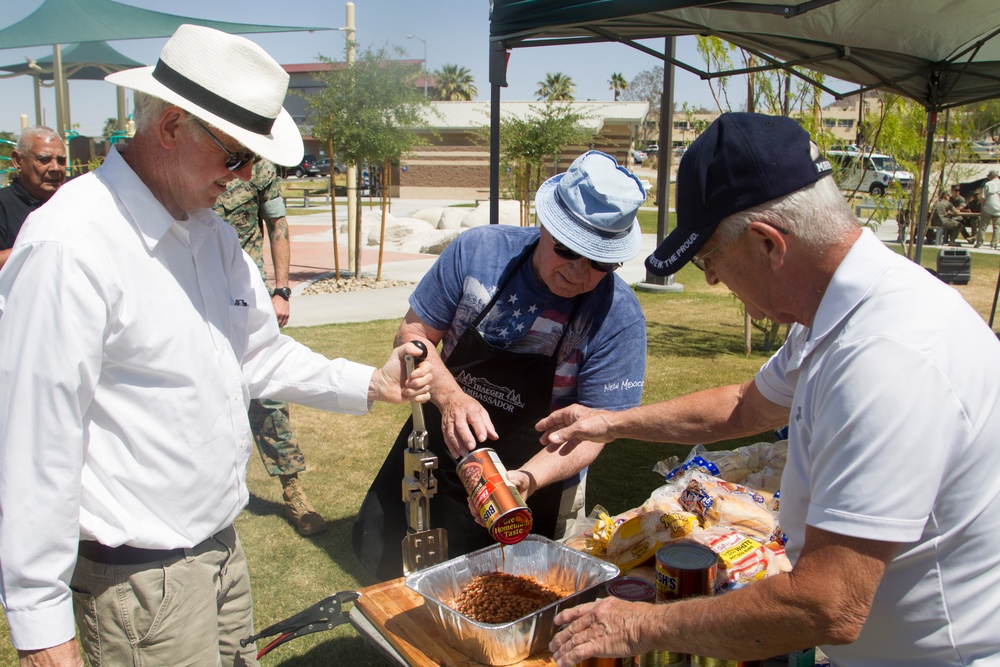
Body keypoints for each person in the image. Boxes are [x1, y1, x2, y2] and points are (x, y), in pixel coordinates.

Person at [0, 25, 431, 667]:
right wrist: (40, 626)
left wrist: (372, 382)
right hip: (139, 585)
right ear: (172, 125)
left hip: (222, 552)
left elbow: (258, 354)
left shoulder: (212, 236)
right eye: (236, 155)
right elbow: (35, 443)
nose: (246, 176)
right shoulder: (70, 246)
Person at [539, 113, 1000, 667]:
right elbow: (744, 407)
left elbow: (826, 605)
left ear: (767, 244)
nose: (710, 279)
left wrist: (642, 627)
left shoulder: (885, 355)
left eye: (710, 259)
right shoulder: (839, 310)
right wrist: (609, 423)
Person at [353, 150, 648, 581]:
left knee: (504, 594)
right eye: (566, 250)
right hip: (437, 447)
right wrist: (452, 397)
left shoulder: (619, 317)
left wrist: (526, 480)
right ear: (545, 226)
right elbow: (413, 335)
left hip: (534, 477)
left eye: (599, 262)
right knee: (395, 578)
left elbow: (598, 429)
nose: (577, 272)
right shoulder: (480, 251)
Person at [214, 158, 325, 536]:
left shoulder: (259, 168)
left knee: (268, 396)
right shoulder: (192, 155)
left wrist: (281, 291)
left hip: (247, 295)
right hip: (192, 294)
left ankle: (293, 490)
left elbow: (277, 225)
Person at [0, 126, 66, 269]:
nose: (56, 168)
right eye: (44, 159)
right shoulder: (3, 204)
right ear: (17, 161)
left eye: (61, 161)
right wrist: (41, 247)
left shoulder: (72, 199)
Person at [978, 169, 1000, 249]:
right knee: (997, 227)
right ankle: (994, 244)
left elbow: (983, 198)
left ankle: (980, 242)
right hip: (998, 208)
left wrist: (982, 207)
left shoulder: (988, 184)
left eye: (989, 176)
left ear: (992, 176)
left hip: (988, 207)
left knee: (983, 226)